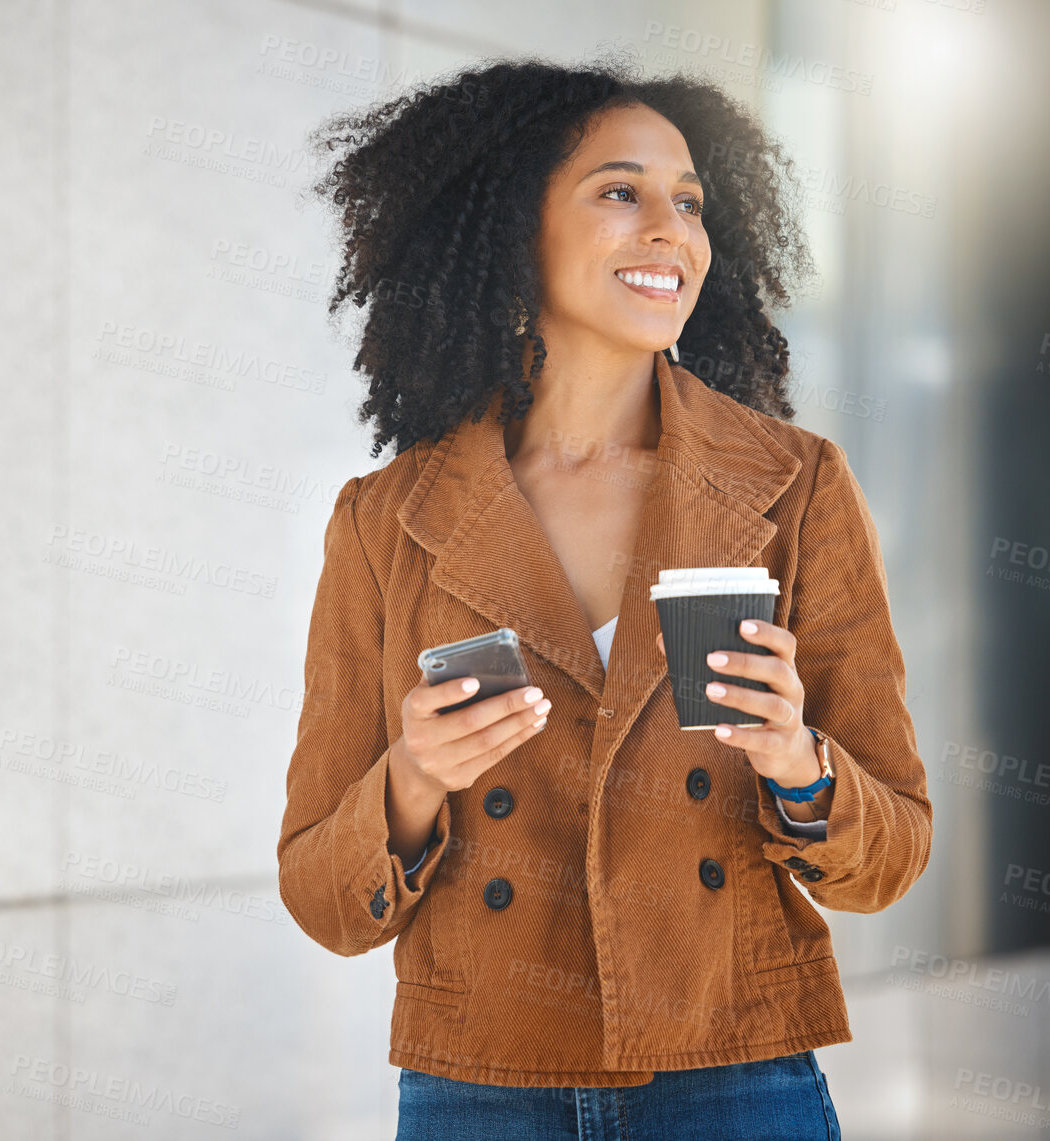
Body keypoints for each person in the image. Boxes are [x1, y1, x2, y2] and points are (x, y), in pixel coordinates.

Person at [277, 56, 931, 1140]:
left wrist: (795, 759)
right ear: (507, 229)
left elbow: (894, 854)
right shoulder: (384, 519)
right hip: (478, 1074)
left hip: (734, 1064)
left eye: (689, 201)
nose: (671, 229)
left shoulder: (796, 483)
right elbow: (320, 893)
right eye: (620, 191)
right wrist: (413, 777)